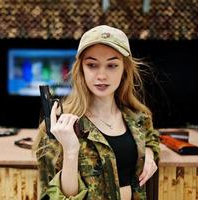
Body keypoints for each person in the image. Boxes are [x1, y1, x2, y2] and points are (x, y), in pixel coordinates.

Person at [34, 25, 160, 200]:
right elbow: (52, 195)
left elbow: (152, 138)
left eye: (112, 65)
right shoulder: (59, 127)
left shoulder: (138, 117)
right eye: (92, 65)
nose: (102, 75)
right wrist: (71, 151)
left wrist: (149, 153)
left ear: (124, 69)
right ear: (81, 70)